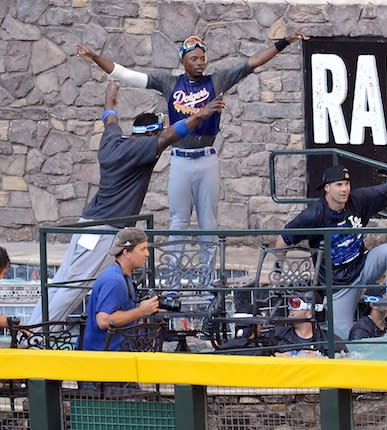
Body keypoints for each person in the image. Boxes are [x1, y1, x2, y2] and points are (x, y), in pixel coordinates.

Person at [75, 30, 308, 254]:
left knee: (209, 223)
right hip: (180, 159)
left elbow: (253, 62)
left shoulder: (217, 80)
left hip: (206, 158)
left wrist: (285, 42)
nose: (200, 62)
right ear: (182, 61)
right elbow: (126, 75)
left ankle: (209, 285)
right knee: (178, 222)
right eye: (193, 58)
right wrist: (95, 57)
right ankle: (173, 282)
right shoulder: (169, 82)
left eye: (203, 58)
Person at [27, 81, 225, 324]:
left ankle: (33, 327)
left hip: (86, 224)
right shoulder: (140, 150)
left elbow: (110, 117)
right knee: (73, 287)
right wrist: (202, 114)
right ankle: (35, 332)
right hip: (104, 231)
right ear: (151, 135)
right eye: (157, 134)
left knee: (62, 280)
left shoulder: (112, 141)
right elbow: (172, 134)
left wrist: (111, 96)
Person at [275, 164, 387, 339]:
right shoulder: (314, 215)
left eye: (346, 184)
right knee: (341, 337)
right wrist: (277, 271)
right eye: (339, 185)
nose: (344, 189)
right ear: (327, 188)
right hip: (339, 285)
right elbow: (282, 240)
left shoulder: (358, 199)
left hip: (363, 265)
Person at [82, 227, 159, 351]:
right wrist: (141, 311)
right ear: (126, 253)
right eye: (142, 249)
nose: (147, 253)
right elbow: (103, 320)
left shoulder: (121, 276)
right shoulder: (114, 280)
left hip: (116, 352)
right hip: (106, 358)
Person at [274, 295, 348, 357]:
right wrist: (277, 355)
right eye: (290, 304)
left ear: (309, 313)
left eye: (295, 304)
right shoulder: (278, 336)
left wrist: (320, 358)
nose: (290, 309)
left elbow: (346, 361)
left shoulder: (331, 341)